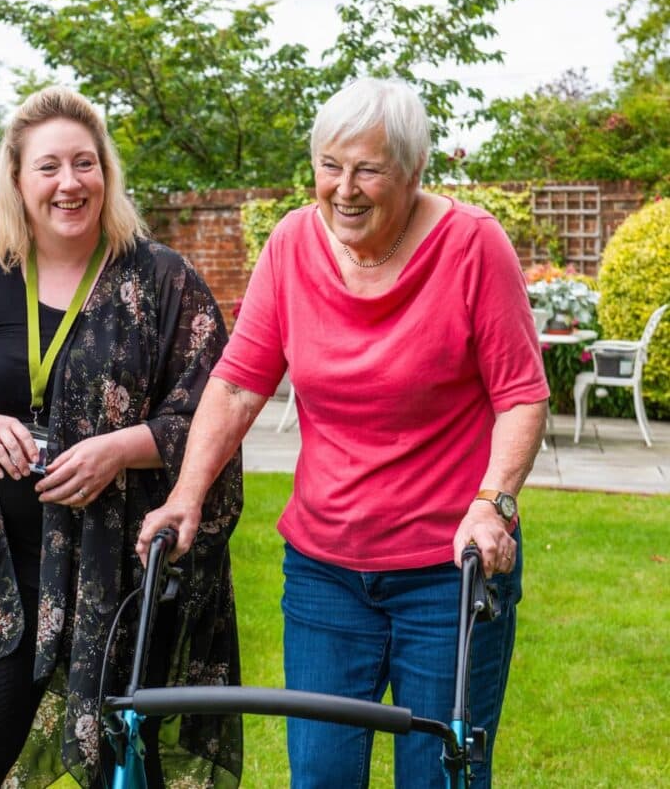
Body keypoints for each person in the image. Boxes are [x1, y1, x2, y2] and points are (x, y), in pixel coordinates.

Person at [138, 78, 548, 788]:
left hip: (447, 575)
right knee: (323, 775)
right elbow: (238, 384)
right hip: (327, 572)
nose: (344, 189)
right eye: (330, 165)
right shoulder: (293, 243)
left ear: (416, 172)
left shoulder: (473, 247)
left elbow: (521, 395)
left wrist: (495, 501)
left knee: (439, 775)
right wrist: (186, 495)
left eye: (368, 169)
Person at [0, 86, 243, 788]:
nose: (69, 183)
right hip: (7, 575)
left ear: (106, 175)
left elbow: (213, 414)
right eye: (48, 167)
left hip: (131, 579)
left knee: (127, 770)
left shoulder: (162, 280)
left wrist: (121, 449)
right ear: (18, 181)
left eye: (85, 164)